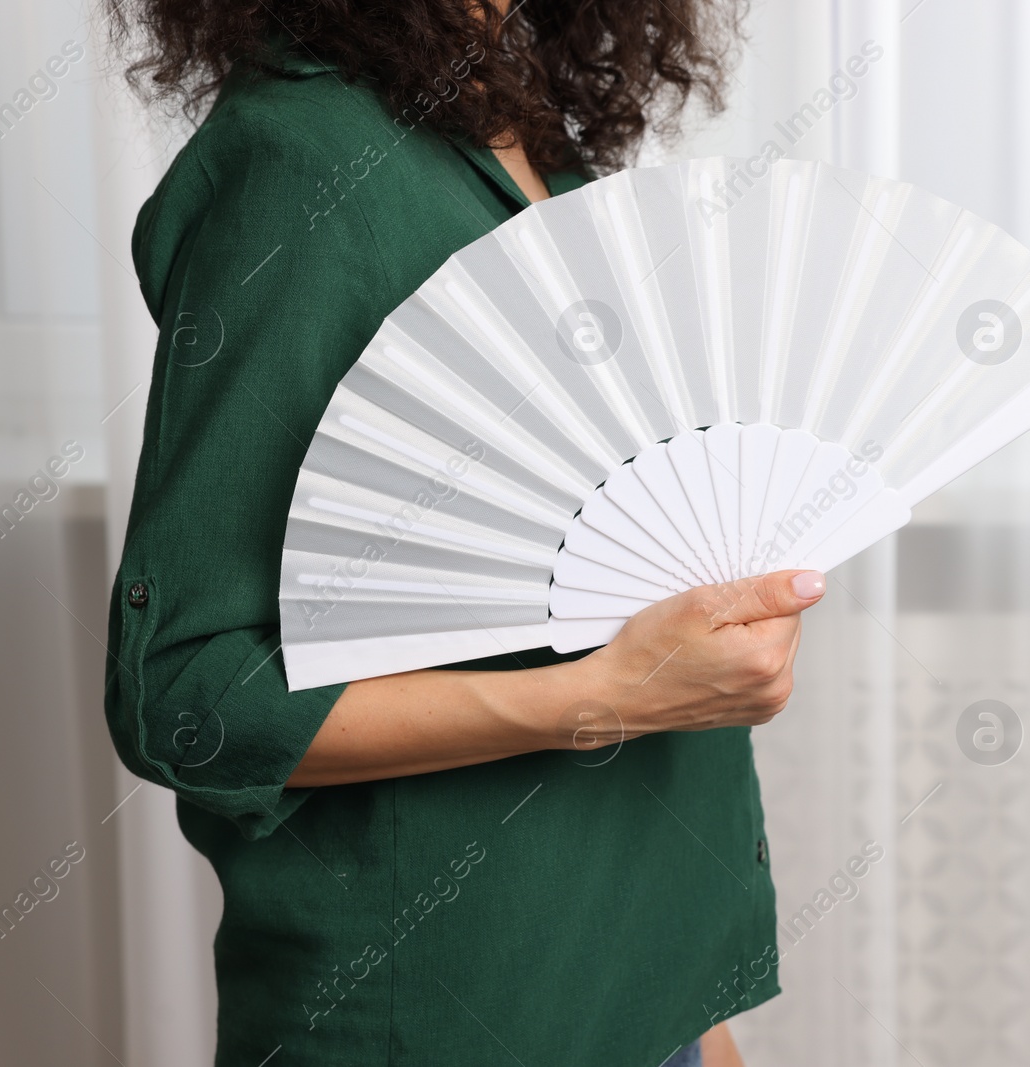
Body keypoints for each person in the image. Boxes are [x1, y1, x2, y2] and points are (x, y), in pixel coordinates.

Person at [102, 2, 819, 1064]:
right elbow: (185, 698)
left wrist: (693, 1018)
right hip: (443, 1011)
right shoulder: (304, 163)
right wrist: (603, 696)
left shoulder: (541, 143)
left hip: (639, 989)